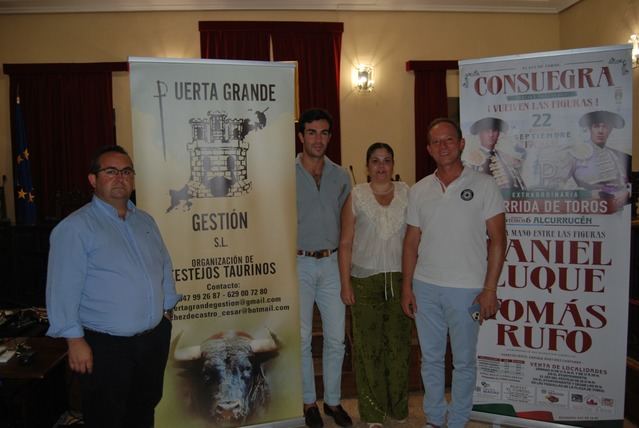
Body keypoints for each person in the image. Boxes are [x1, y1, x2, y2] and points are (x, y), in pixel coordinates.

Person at [46, 145, 181, 428]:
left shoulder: (145, 220)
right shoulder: (75, 228)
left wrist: (167, 312)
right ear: (93, 180)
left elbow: (164, 266)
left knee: (144, 410)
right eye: (111, 171)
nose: (120, 177)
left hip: (151, 341)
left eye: (126, 171)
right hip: (105, 347)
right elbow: (62, 289)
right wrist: (74, 339)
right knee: (107, 417)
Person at [401, 118, 506, 428]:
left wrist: (490, 289)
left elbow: (499, 240)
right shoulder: (419, 190)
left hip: (468, 290)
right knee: (430, 359)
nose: (442, 146)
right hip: (425, 288)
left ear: (461, 144)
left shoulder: (484, 185)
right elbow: (410, 243)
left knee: (463, 361)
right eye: (436, 142)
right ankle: (434, 418)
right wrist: (407, 287)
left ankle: (458, 420)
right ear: (428, 149)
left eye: (448, 140)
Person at [338, 142, 411, 428]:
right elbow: (345, 243)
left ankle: (398, 406)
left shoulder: (407, 193)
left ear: (393, 165)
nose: (382, 167)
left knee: (398, 347)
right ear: (367, 166)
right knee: (368, 350)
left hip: (400, 280)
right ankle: (372, 412)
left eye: (387, 161)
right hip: (364, 281)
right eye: (376, 161)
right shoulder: (356, 196)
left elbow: (416, 239)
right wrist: (346, 284)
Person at [296, 108, 353, 428]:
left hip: (331, 263)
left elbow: (347, 229)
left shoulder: (341, 176)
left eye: (324, 133)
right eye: (312, 133)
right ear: (301, 136)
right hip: (298, 262)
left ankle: (332, 401)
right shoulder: (284, 173)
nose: (318, 139)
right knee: (302, 339)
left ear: (331, 136)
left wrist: (346, 274)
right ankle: (308, 403)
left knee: (336, 338)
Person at [571, 110, 630, 211]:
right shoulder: (576, 153)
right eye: (596, 126)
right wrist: (588, 194)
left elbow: (626, 184)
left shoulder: (617, 156)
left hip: (616, 210)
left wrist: (627, 192)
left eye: (605, 127)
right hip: (587, 210)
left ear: (610, 130)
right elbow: (563, 187)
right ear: (590, 129)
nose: (600, 131)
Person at [464, 117, 525, 190]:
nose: (491, 135)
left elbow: (519, 183)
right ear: (479, 134)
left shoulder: (505, 157)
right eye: (487, 131)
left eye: (494, 131)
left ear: (499, 134)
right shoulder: (471, 159)